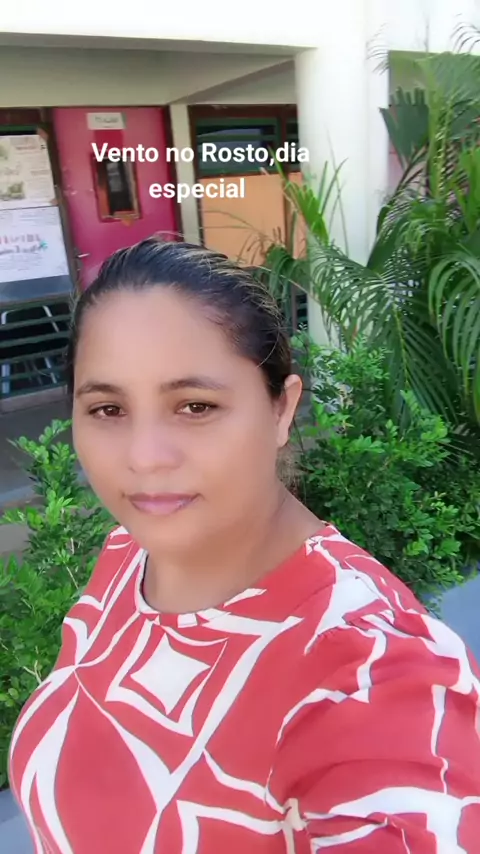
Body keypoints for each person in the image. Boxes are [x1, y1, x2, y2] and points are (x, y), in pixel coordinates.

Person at [8, 237, 480, 853]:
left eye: (195, 406)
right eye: (107, 409)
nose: (144, 458)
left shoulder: (375, 671)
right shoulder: (129, 553)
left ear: (282, 409)